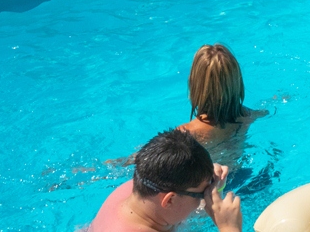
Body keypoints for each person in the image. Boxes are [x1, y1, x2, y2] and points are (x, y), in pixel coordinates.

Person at [87, 129, 242, 232]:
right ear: (169, 200)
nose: (207, 197)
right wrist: (230, 228)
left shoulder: (137, 187)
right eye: (202, 194)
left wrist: (212, 184)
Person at [178, 44, 267, 150]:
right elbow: (265, 112)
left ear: (192, 83)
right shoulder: (250, 116)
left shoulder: (184, 134)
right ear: (237, 83)